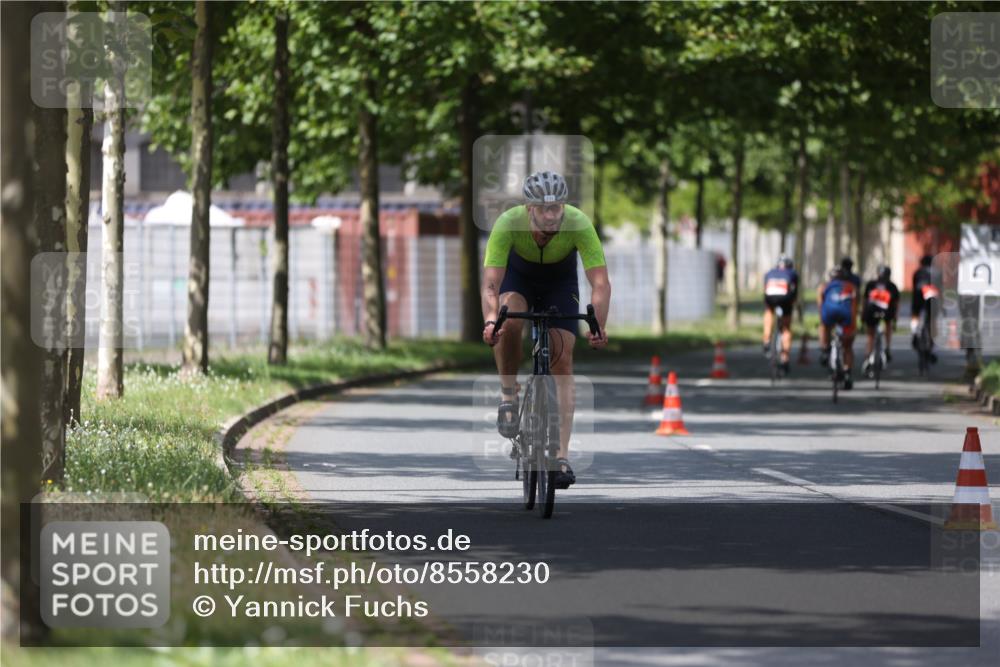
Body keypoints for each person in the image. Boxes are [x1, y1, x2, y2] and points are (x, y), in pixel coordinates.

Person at [481, 171, 611, 489]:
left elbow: (600, 282)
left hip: (559, 283)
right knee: (508, 317)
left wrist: (599, 326)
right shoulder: (508, 223)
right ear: (529, 209)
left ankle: (561, 457)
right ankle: (509, 394)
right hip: (518, 279)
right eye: (543, 208)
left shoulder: (578, 223)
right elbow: (490, 283)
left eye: (557, 208)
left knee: (562, 359)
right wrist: (490, 319)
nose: (551, 215)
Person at [817, 266, 859, 389]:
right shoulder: (851, 287)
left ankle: (825, 349)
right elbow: (854, 307)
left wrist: (822, 320)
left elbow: (820, 304)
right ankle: (847, 373)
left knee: (824, 326)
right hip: (846, 315)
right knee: (848, 347)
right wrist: (854, 325)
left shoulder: (824, 287)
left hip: (829, 313)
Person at [761, 254, 798, 375]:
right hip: (785, 299)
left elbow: (765, 289)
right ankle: (785, 358)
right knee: (786, 328)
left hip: (770, 297)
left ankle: (766, 339)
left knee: (768, 311)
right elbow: (794, 291)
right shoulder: (792, 273)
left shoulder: (769, 272)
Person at [861, 264, 900, 376]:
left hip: (871, 312)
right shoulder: (892, 286)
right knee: (888, 325)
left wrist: (862, 316)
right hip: (887, 313)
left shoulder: (871, 284)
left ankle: (868, 356)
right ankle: (887, 348)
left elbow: (864, 301)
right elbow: (896, 304)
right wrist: (895, 320)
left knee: (870, 335)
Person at [910, 254, 939, 363]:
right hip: (932, 297)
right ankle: (932, 344)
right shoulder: (937, 273)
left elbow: (914, 288)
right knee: (932, 320)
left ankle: (914, 333)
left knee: (915, 314)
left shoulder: (917, 273)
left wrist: (914, 306)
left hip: (918, 295)